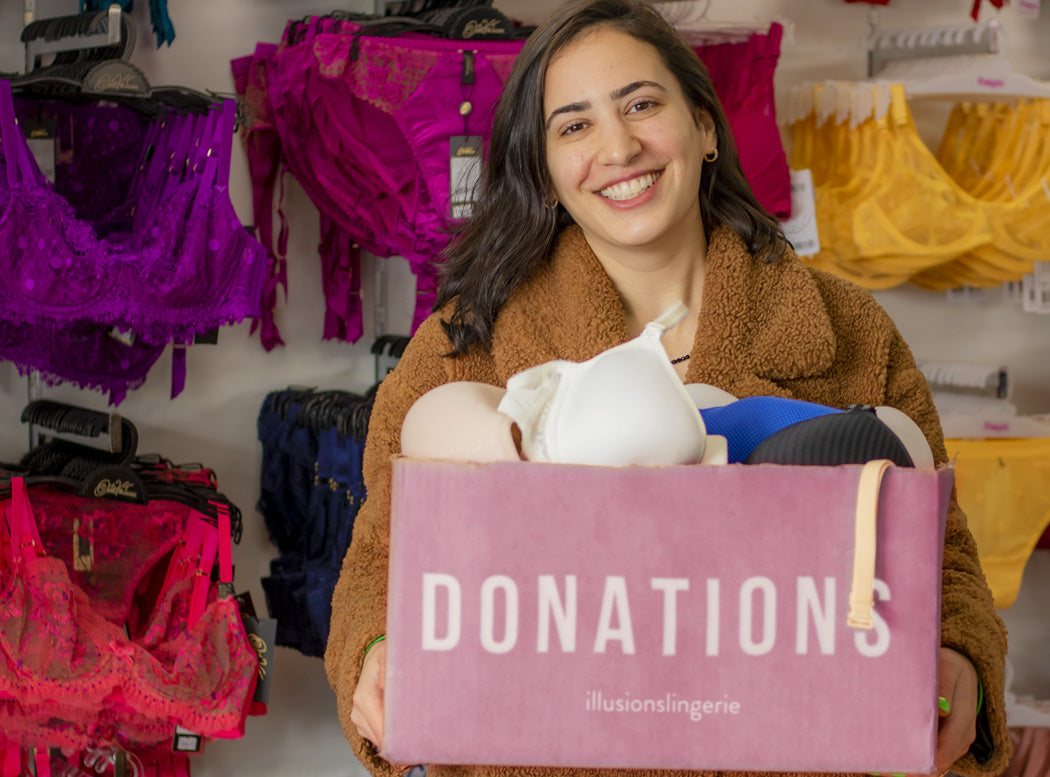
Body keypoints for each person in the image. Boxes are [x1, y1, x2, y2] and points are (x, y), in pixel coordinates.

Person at [325, 1, 1011, 775]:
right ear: (542, 173)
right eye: (573, 125)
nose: (618, 148)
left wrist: (959, 654)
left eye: (641, 105)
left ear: (705, 128)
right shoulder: (464, 345)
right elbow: (380, 560)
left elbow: (942, 554)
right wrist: (375, 650)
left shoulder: (847, 327)